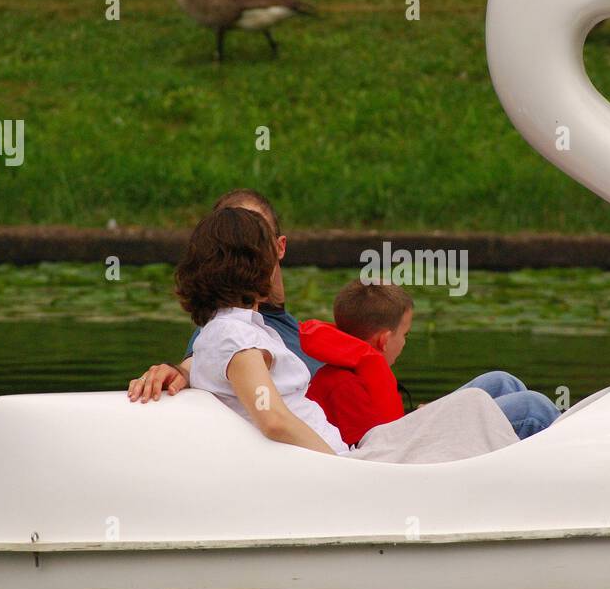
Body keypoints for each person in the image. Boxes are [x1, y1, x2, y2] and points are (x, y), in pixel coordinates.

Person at [145, 207, 518, 464]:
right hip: (348, 463)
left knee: (474, 404)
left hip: (352, 453)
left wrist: (179, 369)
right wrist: (343, 473)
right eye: (270, 254)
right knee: (487, 410)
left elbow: (212, 366)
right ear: (254, 265)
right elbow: (273, 419)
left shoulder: (228, 331)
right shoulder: (235, 338)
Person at [302, 280, 559, 445]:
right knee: (533, 408)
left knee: (502, 382)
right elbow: (373, 454)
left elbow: (383, 427)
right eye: (405, 335)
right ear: (384, 340)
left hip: (403, 440)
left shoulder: (351, 372)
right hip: (408, 459)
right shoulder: (344, 387)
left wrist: (414, 418)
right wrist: (419, 424)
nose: (405, 342)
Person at [128, 188, 319, 404]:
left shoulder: (305, 333)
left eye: (254, 234)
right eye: (232, 239)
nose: (243, 246)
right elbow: (207, 359)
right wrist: (179, 373)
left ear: (279, 247)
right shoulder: (227, 326)